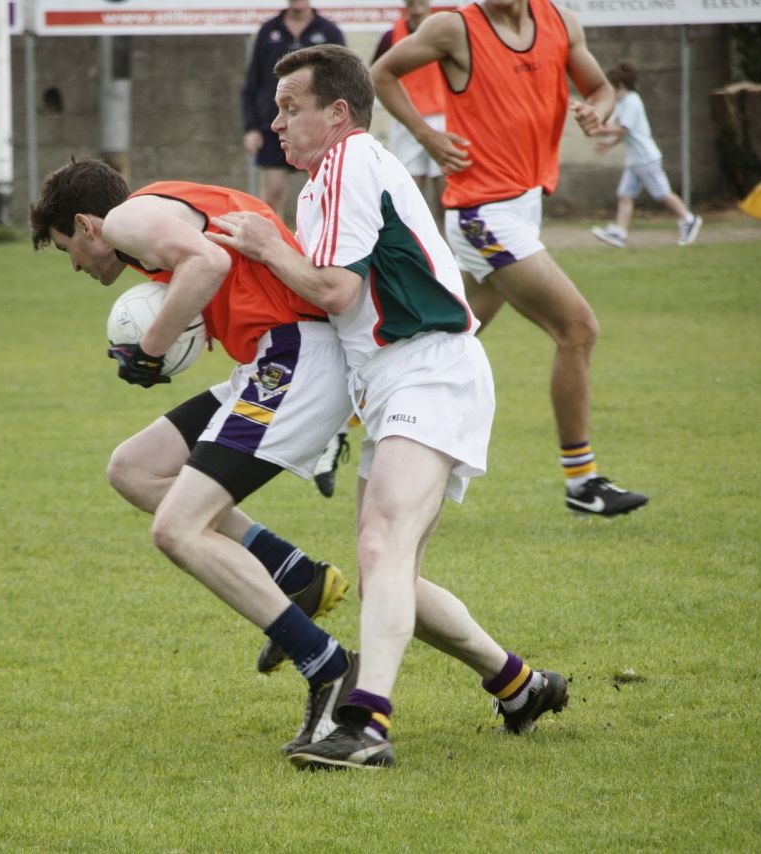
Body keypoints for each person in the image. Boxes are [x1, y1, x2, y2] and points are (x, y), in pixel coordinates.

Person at [210, 44, 568, 771]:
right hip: (396, 383)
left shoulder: (348, 162)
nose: (276, 123)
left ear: (337, 114)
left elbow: (336, 292)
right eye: (275, 109)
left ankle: (365, 724)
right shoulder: (323, 184)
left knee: (380, 544)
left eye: (291, 108)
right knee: (386, 572)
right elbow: (342, 311)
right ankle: (519, 686)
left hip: (429, 371)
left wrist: (261, 245)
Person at [29, 160, 360, 750]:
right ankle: (294, 576)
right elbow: (214, 268)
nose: (76, 264)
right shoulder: (161, 210)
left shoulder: (129, 219)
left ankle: (327, 666)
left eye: (67, 249)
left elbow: (209, 262)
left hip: (296, 358)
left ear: (87, 224)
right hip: (269, 360)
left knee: (177, 529)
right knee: (134, 468)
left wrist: (150, 350)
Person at [371, 0, 649, 517]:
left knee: (449, 337)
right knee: (578, 329)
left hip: (524, 207)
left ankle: (354, 422)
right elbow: (382, 73)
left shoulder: (560, 22)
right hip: (483, 214)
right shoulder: (455, 27)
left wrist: (597, 110)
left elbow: (601, 88)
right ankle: (582, 482)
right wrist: (427, 136)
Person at [241, 0, 345, 226]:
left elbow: (344, 84)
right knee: (270, 199)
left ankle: (321, 253)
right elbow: (252, 84)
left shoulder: (329, 31)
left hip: (319, 128)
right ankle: (272, 258)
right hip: (274, 127)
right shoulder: (269, 31)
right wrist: (251, 128)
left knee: (327, 196)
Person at [589, 60, 702, 250]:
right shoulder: (624, 103)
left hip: (645, 158)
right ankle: (619, 232)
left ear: (621, 86)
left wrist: (599, 129)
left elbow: (623, 129)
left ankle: (688, 219)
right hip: (635, 160)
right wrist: (607, 144)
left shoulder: (632, 101)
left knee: (662, 193)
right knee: (625, 194)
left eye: (612, 87)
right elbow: (624, 132)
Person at [372, 0, 447, 221]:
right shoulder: (391, 36)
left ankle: (450, 252)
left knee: (446, 196)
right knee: (408, 196)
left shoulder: (446, 30)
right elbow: (374, 76)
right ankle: (417, 249)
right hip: (407, 121)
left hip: (444, 120)